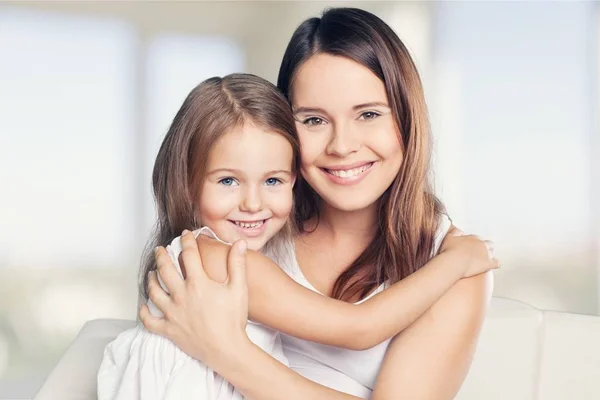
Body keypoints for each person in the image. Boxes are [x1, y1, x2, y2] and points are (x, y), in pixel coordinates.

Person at [140, 7, 499, 400]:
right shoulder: (251, 231)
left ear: (408, 118)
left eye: (368, 114)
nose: (342, 146)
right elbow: (358, 328)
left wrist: (226, 352)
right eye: (313, 120)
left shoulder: (446, 265)